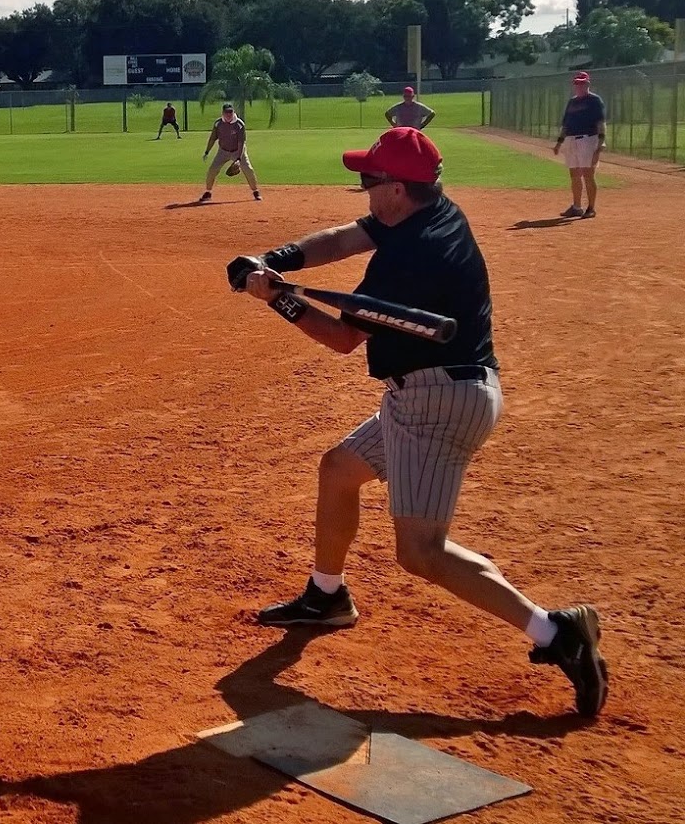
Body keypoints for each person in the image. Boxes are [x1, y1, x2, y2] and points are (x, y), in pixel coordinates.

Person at [225, 126, 608, 718]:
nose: (363, 190)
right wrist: (274, 262)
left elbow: (342, 337)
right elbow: (346, 237)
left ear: (398, 189)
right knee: (339, 469)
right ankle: (327, 596)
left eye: (369, 182)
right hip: (432, 392)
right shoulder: (431, 209)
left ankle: (556, 632)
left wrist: (277, 299)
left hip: (438, 402)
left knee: (422, 551)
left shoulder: (410, 261)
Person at [553, 71, 604, 219]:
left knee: (588, 174)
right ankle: (576, 207)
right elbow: (566, 125)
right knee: (574, 174)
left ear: (588, 83)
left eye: (582, 83)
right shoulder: (572, 102)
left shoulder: (594, 100)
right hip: (571, 140)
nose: (580, 86)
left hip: (588, 139)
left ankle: (591, 208)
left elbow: (600, 122)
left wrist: (601, 142)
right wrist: (559, 143)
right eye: (577, 83)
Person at [199, 102, 260, 202]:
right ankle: (208, 192)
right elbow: (212, 138)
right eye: (226, 112)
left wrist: (239, 159)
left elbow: (241, 142)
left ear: (233, 112)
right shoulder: (218, 124)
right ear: (222, 113)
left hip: (237, 151)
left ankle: (255, 191)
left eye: (230, 112)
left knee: (248, 169)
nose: (229, 114)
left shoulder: (239, 125)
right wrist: (207, 152)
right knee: (212, 170)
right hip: (223, 151)